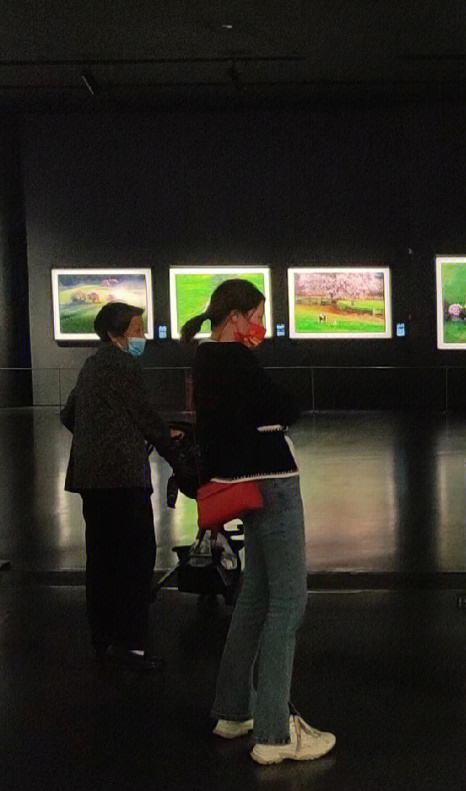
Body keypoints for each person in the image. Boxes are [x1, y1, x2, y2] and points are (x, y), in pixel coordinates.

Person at [181, 279, 335, 765]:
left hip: (241, 487)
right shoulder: (237, 363)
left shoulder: (205, 360)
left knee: (255, 596)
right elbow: (287, 406)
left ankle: (233, 710)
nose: (259, 325)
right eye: (256, 314)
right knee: (289, 602)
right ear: (236, 316)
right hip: (273, 483)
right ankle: (273, 733)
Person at [60, 301, 178, 673]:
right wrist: (168, 442)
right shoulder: (124, 365)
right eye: (137, 329)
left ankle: (104, 640)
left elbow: (68, 414)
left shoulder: (92, 364)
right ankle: (131, 644)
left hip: (92, 479)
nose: (142, 336)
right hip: (122, 479)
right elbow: (144, 414)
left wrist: (99, 435)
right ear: (116, 334)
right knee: (136, 557)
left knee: (101, 560)